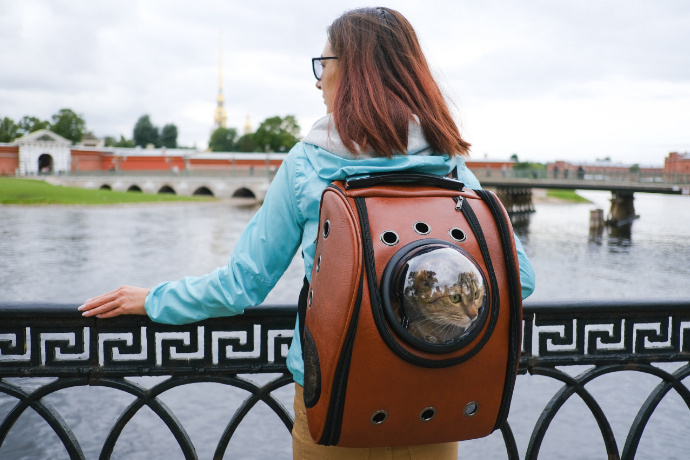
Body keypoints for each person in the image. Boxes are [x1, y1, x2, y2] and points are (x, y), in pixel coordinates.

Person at [80, 7, 535, 459]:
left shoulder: (309, 163)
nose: (318, 81)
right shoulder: (450, 165)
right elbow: (521, 278)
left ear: (354, 72)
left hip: (339, 398)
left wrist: (154, 299)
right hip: (436, 395)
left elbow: (242, 284)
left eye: (325, 65)